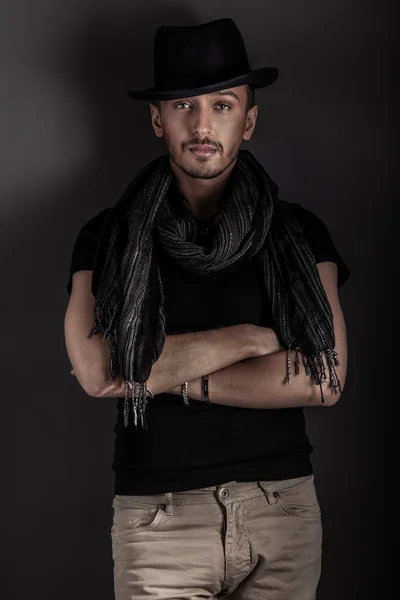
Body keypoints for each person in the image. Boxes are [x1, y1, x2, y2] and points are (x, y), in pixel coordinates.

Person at [64, 17, 350, 600]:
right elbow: (99, 372)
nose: (201, 125)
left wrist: (165, 374)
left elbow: (325, 379)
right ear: (156, 120)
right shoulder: (108, 238)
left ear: (248, 119)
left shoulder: (299, 234)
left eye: (221, 105)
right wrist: (251, 338)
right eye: (183, 106)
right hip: (159, 521)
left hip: (282, 510)